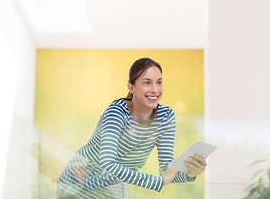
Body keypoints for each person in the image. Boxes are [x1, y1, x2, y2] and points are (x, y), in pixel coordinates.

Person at [57, 58, 207, 198]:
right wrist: (159, 182)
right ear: (131, 87)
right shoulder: (116, 113)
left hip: (111, 186)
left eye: (159, 82)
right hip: (77, 181)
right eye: (147, 83)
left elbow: (166, 173)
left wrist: (189, 173)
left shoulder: (165, 116)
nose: (155, 90)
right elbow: (108, 164)